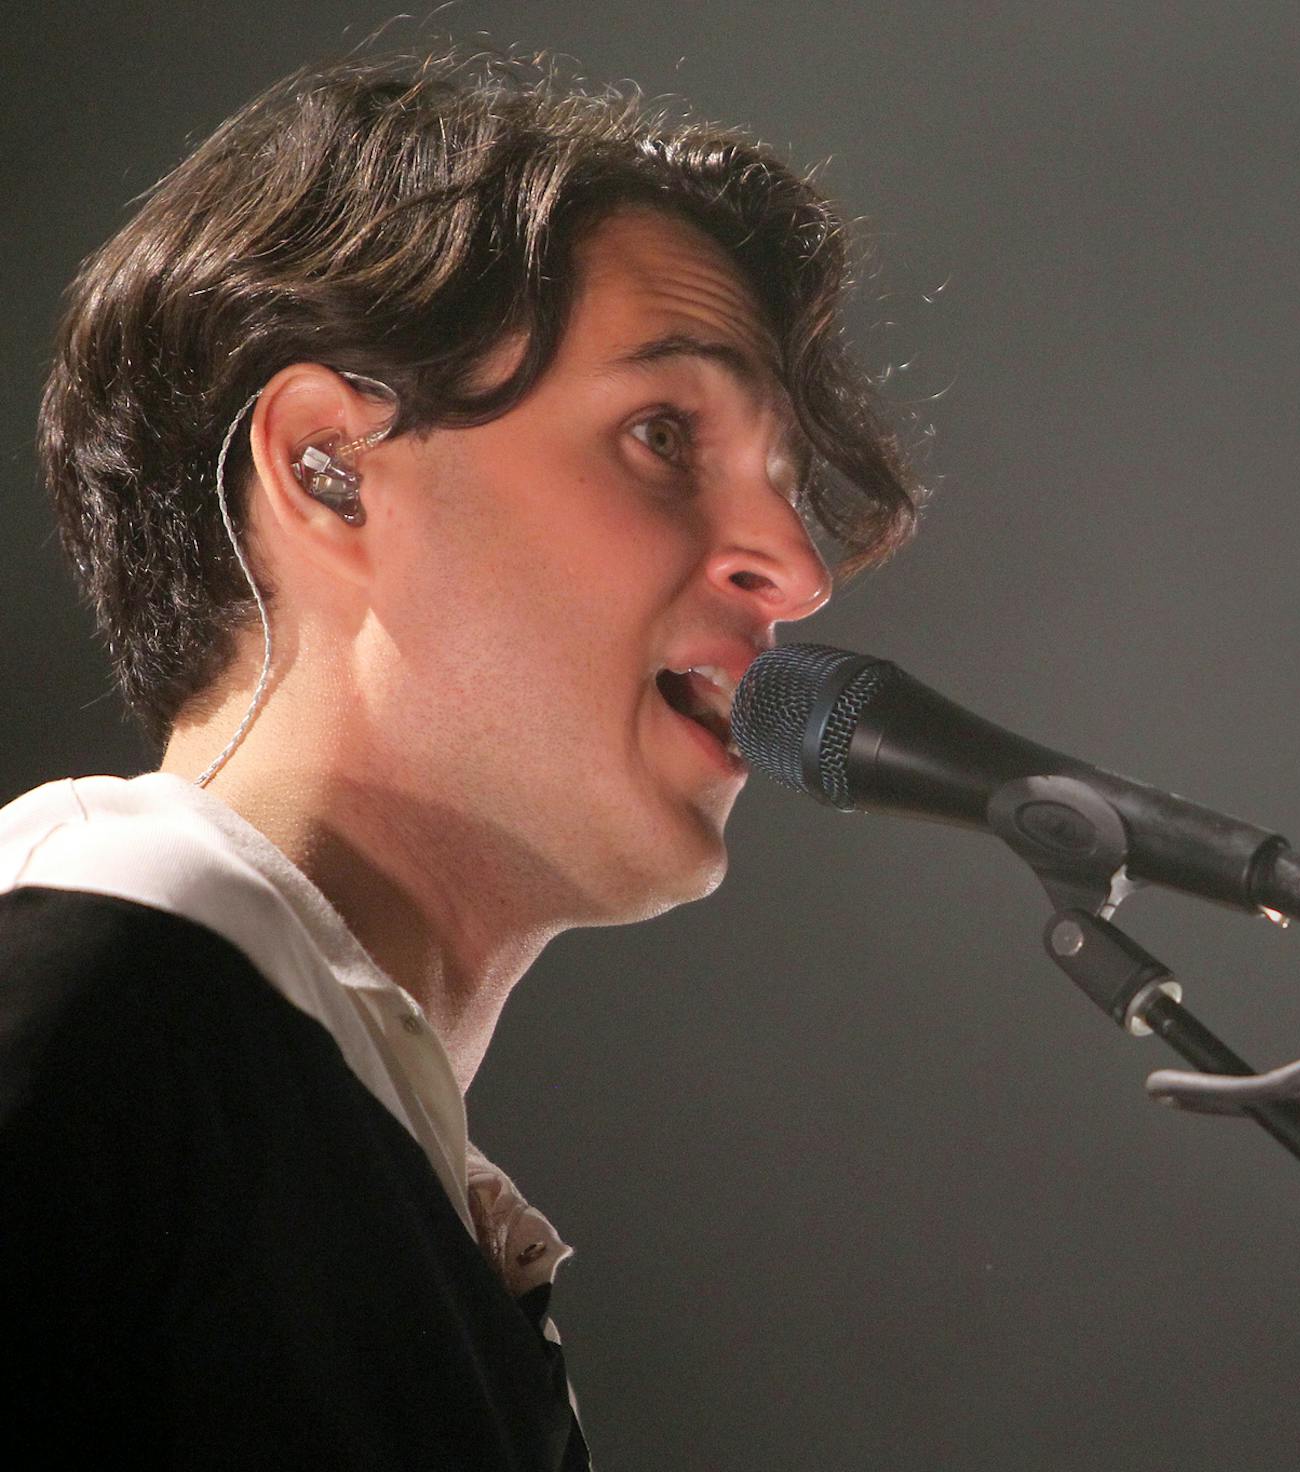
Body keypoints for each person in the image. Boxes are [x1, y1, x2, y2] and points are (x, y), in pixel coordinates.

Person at [0, 45, 923, 1467]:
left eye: (787, 486)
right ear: (331, 468)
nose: (795, 571)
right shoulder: (96, 1006)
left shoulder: (339, 1159)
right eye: (662, 433)